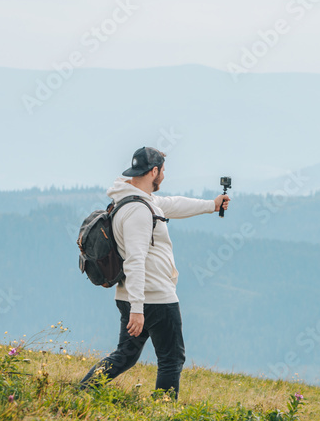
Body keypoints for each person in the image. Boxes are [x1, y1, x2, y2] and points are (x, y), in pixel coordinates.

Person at [79, 146, 230, 398]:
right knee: (172, 358)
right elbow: (135, 261)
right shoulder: (139, 210)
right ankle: (163, 414)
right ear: (155, 171)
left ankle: (81, 391)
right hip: (154, 298)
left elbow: (170, 204)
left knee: (125, 356)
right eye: (162, 172)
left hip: (130, 295)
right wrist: (138, 310)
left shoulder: (131, 200)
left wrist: (211, 205)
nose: (163, 177)